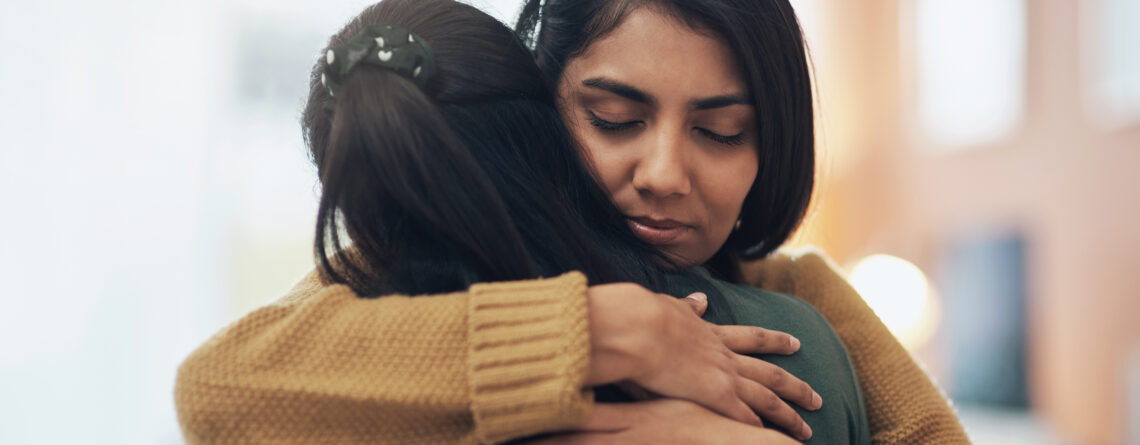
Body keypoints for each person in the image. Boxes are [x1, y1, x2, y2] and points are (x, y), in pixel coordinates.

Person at [176, 0, 968, 444]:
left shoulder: (803, 303)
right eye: (615, 118)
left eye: (721, 131)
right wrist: (601, 332)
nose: (663, 175)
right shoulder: (400, 282)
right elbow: (218, 386)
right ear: (540, 113)